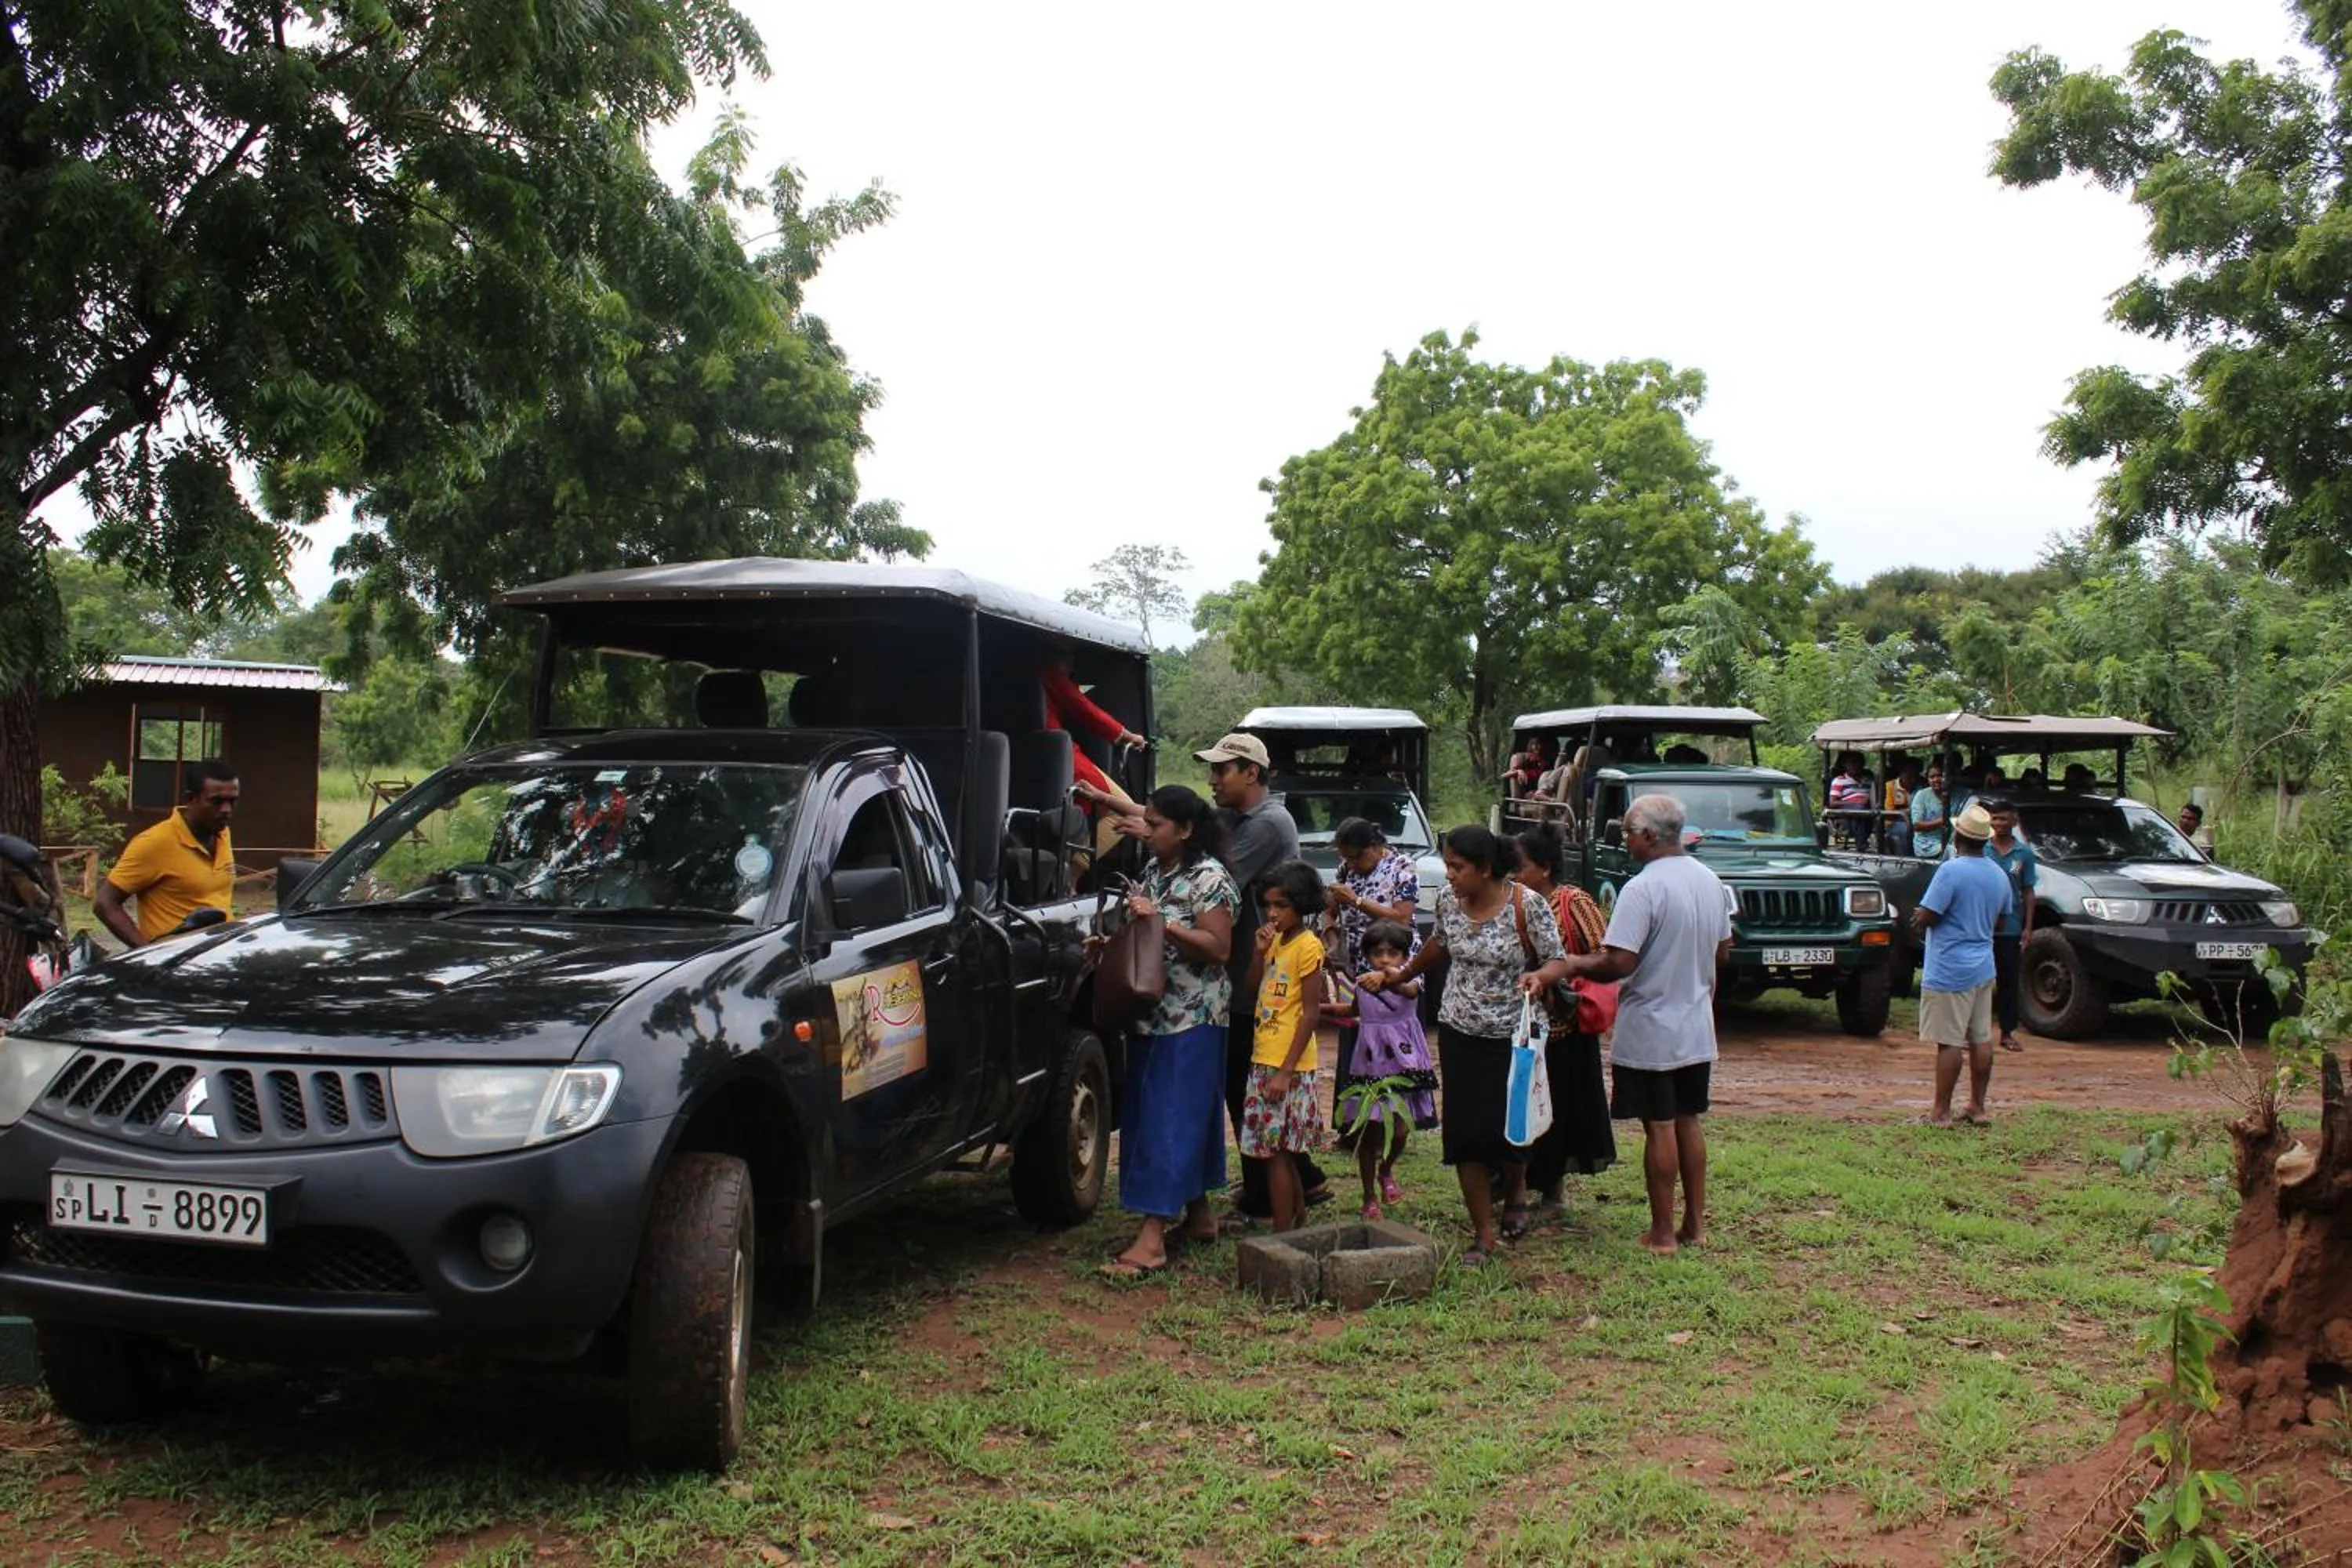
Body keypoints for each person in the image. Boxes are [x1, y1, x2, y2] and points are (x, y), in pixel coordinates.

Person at [1362, 825, 1568, 1267]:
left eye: (1457, 867)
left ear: (1486, 868)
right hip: (1460, 1031)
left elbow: (1557, 959)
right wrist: (1403, 973)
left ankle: (1515, 1192)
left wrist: (1540, 977)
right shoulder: (1448, 902)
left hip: (1513, 1038)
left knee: (1511, 1129)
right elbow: (1440, 944)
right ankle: (1483, 1234)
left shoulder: (1525, 905)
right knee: (1467, 1134)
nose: (1449, 875)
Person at [1560, 794, 1732, 1256]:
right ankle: (1694, 1225)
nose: (1625, 840)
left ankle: (1661, 1233)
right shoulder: (1710, 880)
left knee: (1659, 1126)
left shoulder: (1643, 888)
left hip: (1654, 1026)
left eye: (1628, 832)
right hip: (1696, 1022)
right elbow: (1722, 949)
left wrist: (1570, 963)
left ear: (1650, 837)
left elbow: (1618, 962)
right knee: (1687, 1120)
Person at [1098, 788, 1238, 1279]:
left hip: (1192, 1016)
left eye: (1156, 824)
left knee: (1169, 1118)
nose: (1147, 830)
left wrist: (1162, 924)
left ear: (1186, 830)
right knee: (1170, 1111)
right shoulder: (1159, 873)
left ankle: (1153, 1236)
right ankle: (1199, 1215)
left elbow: (1218, 948)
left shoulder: (1210, 879)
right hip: (1154, 1011)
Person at [1194, 732, 1331, 1225]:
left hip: (1265, 988)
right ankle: (1303, 1180)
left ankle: (1263, 1200)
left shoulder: (1267, 825)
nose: (1213, 780)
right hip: (1254, 976)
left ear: (1251, 773)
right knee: (1247, 1088)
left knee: (1246, 1087)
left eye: (1222, 771)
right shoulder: (1242, 819)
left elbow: (1214, 875)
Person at [1512, 826, 1617, 1208]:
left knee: (1560, 1106)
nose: (1513, 872)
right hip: (1521, 1023)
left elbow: (1605, 955)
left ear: (1542, 867)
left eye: (1519, 865)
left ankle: (1552, 1185)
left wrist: (1564, 970)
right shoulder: (1512, 901)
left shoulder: (1573, 902)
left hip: (1564, 1027)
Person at [1323, 817, 1422, 1167]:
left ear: (1375, 849)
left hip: (1391, 969)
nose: (1349, 864)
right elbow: (1330, 912)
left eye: (1355, 857)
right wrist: (1331, 934)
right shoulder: (1346, 869)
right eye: (1345, 858)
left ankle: (1390, 1124)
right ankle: (1351, 1126)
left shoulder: (1402, 868)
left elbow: (1402, 919)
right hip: (1355, 968)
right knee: (1355, 1049)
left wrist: (1358, 901)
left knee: (1388, 1049)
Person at [1913, 801, 2015, 1127]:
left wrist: (1916, 918)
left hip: (1949, 966)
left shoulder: (1951, 871)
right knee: (1981, 1038)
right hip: (1983, 964)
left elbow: (1929, 915)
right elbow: (2001, 922)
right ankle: (1977, 1106)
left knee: (1949, 1041)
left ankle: (1940, 1111)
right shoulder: (1998, 874)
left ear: (1958, 836)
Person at [1242, 861, 1328, 1232]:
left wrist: (1286, 1070)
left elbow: (1310, 1014)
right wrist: (1259, 953)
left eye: (1282, 906)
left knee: (1276, 1154)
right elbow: (1251, 989)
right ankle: (1296, 1225)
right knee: (1282, 1153)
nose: (1273, 913)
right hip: (1266, 1056)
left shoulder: (1309, 947)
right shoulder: (1276, 941)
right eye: (1269, 905)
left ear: (1302, 904)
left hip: (1285, 1063)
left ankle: (1282, 1236)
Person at [1331, 920, 1436, 1219]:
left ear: (1405, 956)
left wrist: (1388, 977)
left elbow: (1408, 990)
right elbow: (1350, 1012)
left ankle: (1386, 1170)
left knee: (1401, 1129)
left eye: (1393, 953)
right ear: (1367, 955)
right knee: (1370, 1132)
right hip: (1370, 1064)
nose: (1386, 959)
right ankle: (1368, 1195)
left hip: (1404, 1062)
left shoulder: (1414, 980)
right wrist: (1317, 1008)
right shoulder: (1362, 983)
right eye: (1378, 954)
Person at [96, 759, 240, 948]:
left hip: (217, 957)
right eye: (216, 801)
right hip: (178, 963)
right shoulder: (155, 842)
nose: (226, 810)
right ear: (191, 799)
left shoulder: (222, 833)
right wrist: (146, 954)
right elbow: (105, 903)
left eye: (232, 801)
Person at [1984, 797, 2038, 1056]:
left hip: (2011, 927)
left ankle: (2007, 1032)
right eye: (1994, 819)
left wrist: (2028, 927)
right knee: (1979, 982)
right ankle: (1974, 1032)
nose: (1999, 824)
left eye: (2004, 819)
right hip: (1982, 925)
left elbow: (2028, 891)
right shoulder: (1983, 849)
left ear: (2014, 820)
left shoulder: (2024, 853)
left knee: (2008, 980)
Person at [1909, 762, 1948, 860]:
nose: (1936, 780)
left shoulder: (1953, 794)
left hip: (1948, 841)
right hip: (1927, 844)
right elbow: (1917, 825)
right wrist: (1942, 821)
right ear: (1928, 779)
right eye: (1932, 777)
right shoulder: (1922, 795)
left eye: (1940, 776)